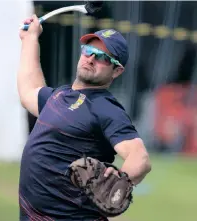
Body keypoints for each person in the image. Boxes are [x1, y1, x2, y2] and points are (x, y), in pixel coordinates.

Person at [17, 14, 151, 221]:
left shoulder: (105, 107)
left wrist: (120, 179)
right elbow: (29, 92)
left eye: (103, 57)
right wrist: (30, 40)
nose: (91, 58)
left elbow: (140, 158)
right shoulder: (60, 96)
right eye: (89, 50)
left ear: (117, 71)